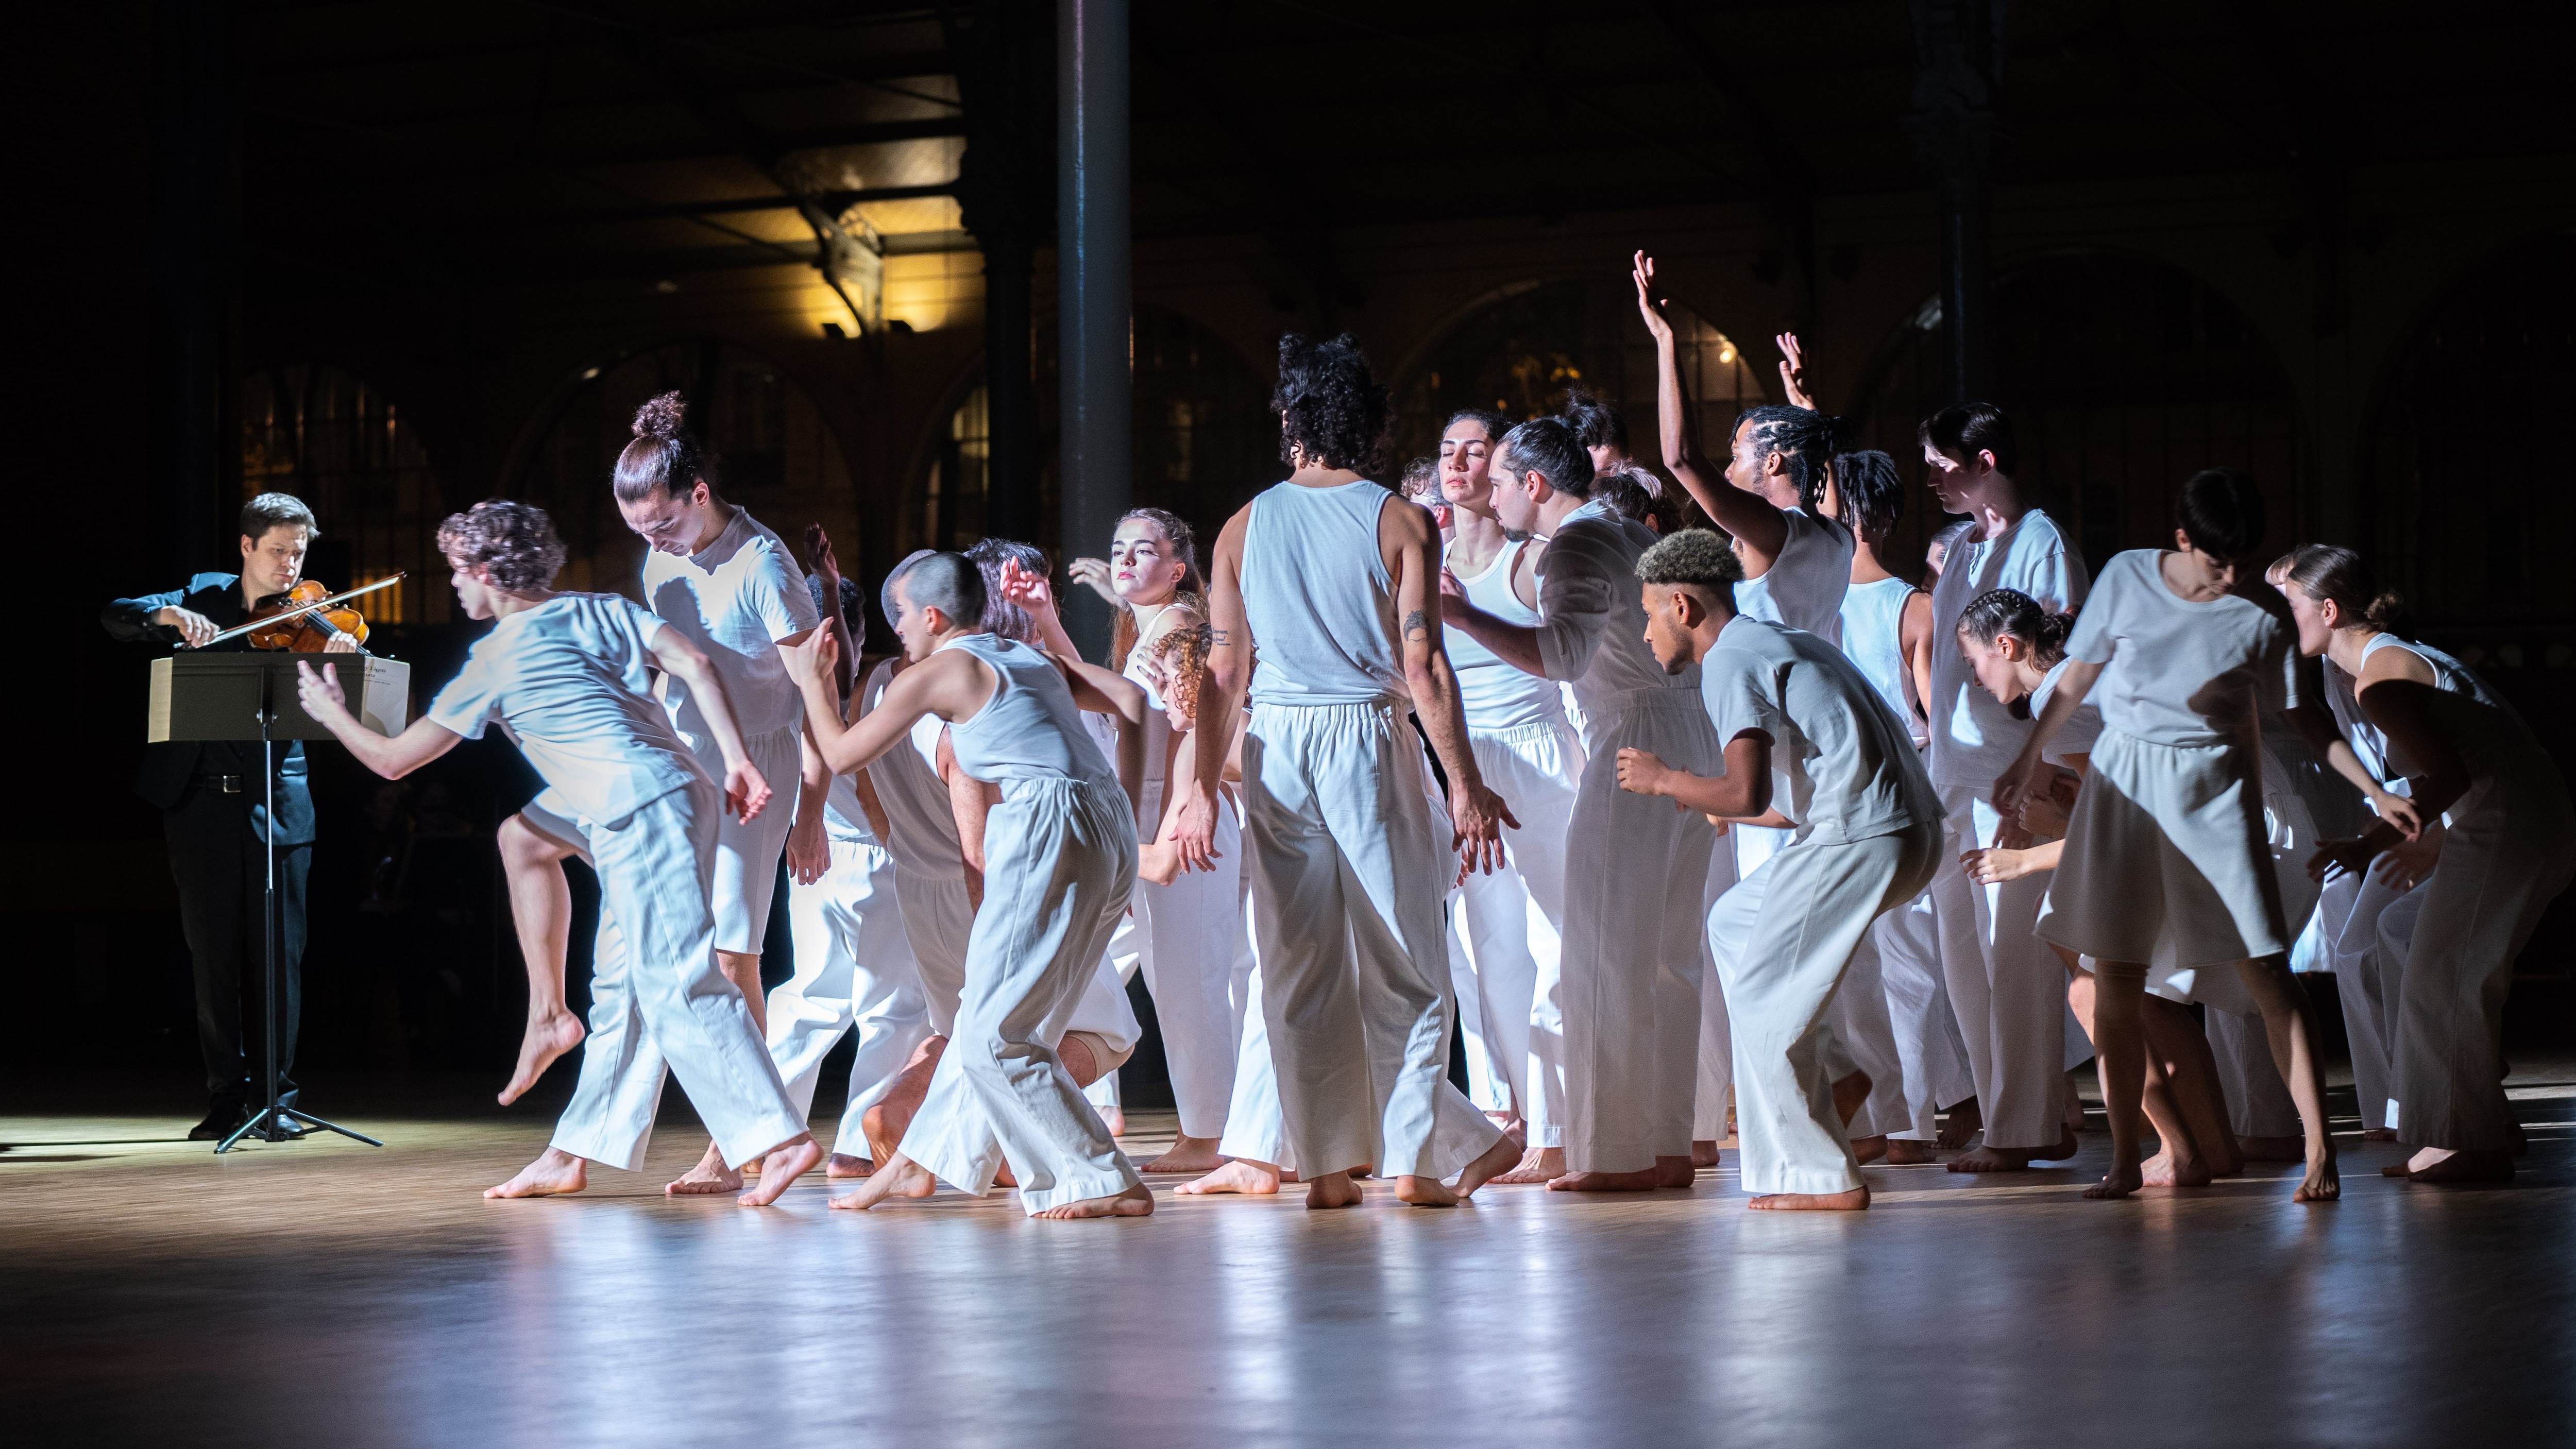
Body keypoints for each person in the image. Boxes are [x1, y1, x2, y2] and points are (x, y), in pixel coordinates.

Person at [295, 501, 820, 1203]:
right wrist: (732, 759)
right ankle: (570, 1124)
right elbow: (693, 662)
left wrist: (332, 713)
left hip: (640, 806)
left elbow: (393, 762)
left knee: (676, 984)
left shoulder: (493, 659)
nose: (454, 586)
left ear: (487, 571)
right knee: (530, 850)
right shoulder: (599, 609)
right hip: (669, 793)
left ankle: (777, 1138)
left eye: (457, 571)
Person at [1170, 331, 1522, 1210]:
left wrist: (1199, 788)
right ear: (1368, 424)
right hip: (1367, 736)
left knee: (1297, 966)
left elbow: (1220, 673)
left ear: (1294, 424)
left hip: (1276, 745)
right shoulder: (1399, 519)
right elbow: (1425, 664)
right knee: (1407, 954)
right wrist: (1465, 782)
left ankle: (1327, 1170)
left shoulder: (1243, 525)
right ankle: (1416, 1162)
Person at [1995, 469, 2339, 1202]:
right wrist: (2026, 761)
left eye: (2242, 561)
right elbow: (2077, 676)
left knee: (2265, 971)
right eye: (2218, 560)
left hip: (2212, 798)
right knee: (2112, 979)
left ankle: (2319, 1151)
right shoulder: (2127, 575)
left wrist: (2369, 790)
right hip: (2128, 792)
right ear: (2183, 540)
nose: (2231, 575)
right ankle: (2126, 1156)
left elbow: (2285, 718)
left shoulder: (2254, 621)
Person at [794, 551, 1154, 1219]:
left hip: (1047, 826)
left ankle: (1104, 1178)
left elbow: (844, 754)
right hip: (1104, 824)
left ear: (931, 616)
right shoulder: (1022, 657)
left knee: (995, 1037)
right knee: (996, 1028)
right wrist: (1128, 816)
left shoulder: (943, 669)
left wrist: (812, 684)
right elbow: (1132, 702)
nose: (895, 628)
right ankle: (923, 1164)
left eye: (898, 615)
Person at [1616, 530, 1942, 1210]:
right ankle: (1837, 1075)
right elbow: (1792, 796)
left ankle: (1824, 1177)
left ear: (1682, 606)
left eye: (1647, 615)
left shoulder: (1732, 662)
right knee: (1734, 920)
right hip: (1899, 832)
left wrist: (1664, 779)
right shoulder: (1780, 641)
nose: (1646, 634)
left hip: (1863, 840)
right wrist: (1704, 796)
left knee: (1765, 1005)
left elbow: (1745, 794)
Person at [1443, 416, 1718, 1192]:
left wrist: (1461, 614)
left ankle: (1615, 1153)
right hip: (1689, 729)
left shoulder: (1573, 544)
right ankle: (1666, 1144)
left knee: (1603, 950)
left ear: (1534, 485)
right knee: (1669, 955)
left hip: (1634, 736)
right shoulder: (1627, 532)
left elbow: (1559, 654)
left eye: (1498, 482)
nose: (1490, 497)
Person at [2282, 545, 2575, 1183]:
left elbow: (2449, 774)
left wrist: (2372, 844)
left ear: (2327, 610)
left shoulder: (2380, 676)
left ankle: (2469, 1142)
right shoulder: (2380, 662)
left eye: (2291, 605)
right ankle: (2482, 1122)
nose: (2283, 620)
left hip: (2506, 821)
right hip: (2511, 815)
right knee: (2399, 932)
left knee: (2441, 975)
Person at [1955, 588, 2241, 1185]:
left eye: (1974, 661)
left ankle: (2179, 1149)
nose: (1975, 678)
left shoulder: (2061, 701)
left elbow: (2127, 820)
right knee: (2154, 1005)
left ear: (2005, 646)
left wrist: (2025, 860)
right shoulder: (2072, 690)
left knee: (2098, 996)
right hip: (2182, 843)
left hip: (2159, 855)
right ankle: (2206, 1148)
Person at [102, 492, 360, 1139]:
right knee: (212, 956)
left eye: (298, 553)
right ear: (246, 547)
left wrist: (347, 665)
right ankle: (226, 1097)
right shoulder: (201, 594)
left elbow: (354, 695)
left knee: (281, 956)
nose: (289, 566)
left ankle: (279, 1098)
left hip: (280, 798)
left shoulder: (314, 614)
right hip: (200, 804)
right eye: (277, 551)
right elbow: (115, 616)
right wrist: (163, 614)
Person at [1914, 400, 2088, 1172]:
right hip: (1953, 773)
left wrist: (2038, 774)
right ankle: (2005, 1114)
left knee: (2012, 955)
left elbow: (2056, 662)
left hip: (2009, 773)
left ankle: (2030, 1124)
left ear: (1984, 461)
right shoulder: (1958, 551)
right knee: (1966, 957)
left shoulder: (2043, 543)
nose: (1931, 478)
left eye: (1942, 463)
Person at [1067, 510, 1250, 1173]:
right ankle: (1226, 1128)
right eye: (1118, 549)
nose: (1124, 561)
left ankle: (1210, 1133)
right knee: (1202, 975)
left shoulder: (1181, 634)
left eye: (1143, 551)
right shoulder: (1151, 630)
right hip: (1158, 814)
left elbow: (1205, 737)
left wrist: (1181, 813)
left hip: (1183, 815)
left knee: (1190, 980)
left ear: (1178, 568)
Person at [1433, 407, 1584, 1175]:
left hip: (1541, 760)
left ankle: (1561, 1131)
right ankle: (1526, 1116)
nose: (1458, 462)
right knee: (1488, 950)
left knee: (1551, 940)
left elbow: (1564, 659)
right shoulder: (1419, 551)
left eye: (1475, 451)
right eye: (1447, 450)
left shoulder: (1530, 561)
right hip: (1468, 763)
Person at [756, 555, 932, 1180]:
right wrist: (830, 594)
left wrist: (828, 590)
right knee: (891, 1005)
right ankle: (855, 1144)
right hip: (871, 857)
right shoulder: (854, 684)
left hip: (817, 860)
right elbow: (837, 673)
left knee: (811, 997)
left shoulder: (778, 683)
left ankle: (763, 1132)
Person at [1827, 450, 1963, 1163]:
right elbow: (1932, 717)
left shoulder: (1897, 605)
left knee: (1891, 961)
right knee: (1894, 962)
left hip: (1868, 786)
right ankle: (1897, 1119)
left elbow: (1935, 714)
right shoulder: (1910, 604)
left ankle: (1904, 1120)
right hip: (1893, 782)